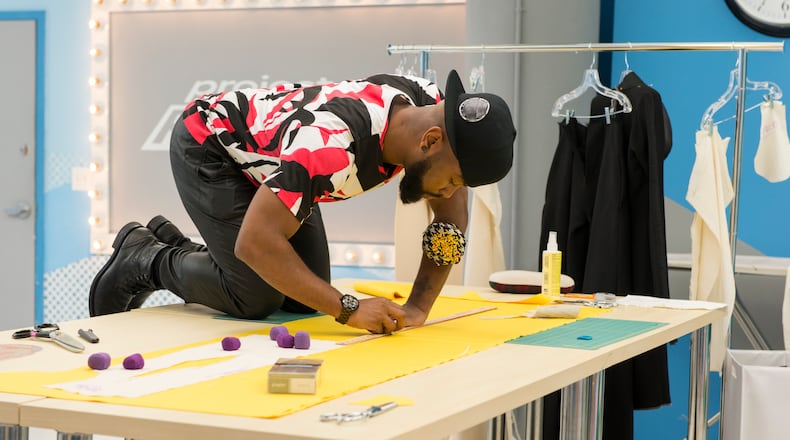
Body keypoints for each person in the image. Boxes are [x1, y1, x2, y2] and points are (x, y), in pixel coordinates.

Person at [89, 69, 516, 334]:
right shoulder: (331, 146)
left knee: (299, 300)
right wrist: (349, 309)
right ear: (431, 140)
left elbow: (450, 219)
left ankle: (184, 250)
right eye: (454, 179)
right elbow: (255, 243)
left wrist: (419, 307)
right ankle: (145, 256)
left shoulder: (431, 111)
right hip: (211, 144)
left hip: (281, 166)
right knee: (254, 294)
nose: (449, 192)